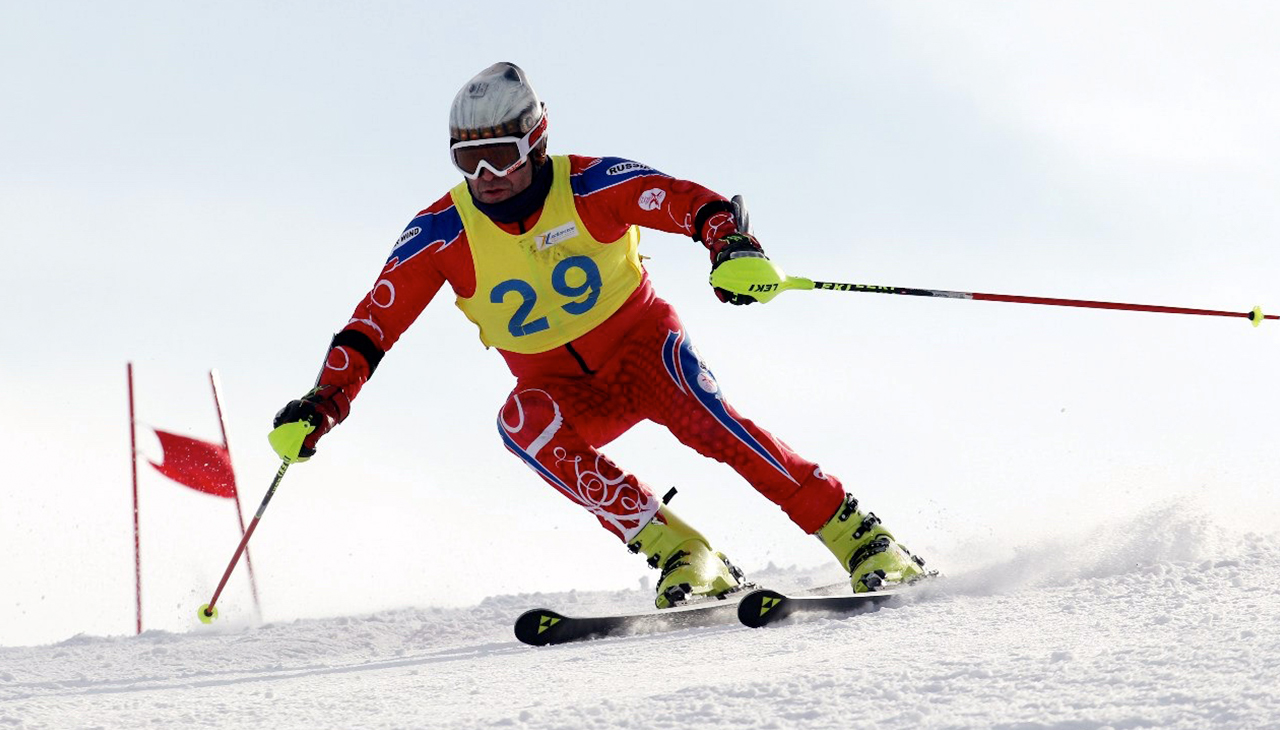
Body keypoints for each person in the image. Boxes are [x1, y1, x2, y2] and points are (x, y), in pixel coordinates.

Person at [271, 61, 925, 609]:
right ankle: (682, 551)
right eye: (468, 159)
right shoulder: (442, 232)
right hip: (562, 388)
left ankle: (859, 535)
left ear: (537, 138)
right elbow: (372, 324)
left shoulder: (587, 183)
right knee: (520, 423)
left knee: (714, 425)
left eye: (500, 154)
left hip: (643, 351)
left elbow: (680, 200)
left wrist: (729, 245)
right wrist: (322, 403)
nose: (487, 174)